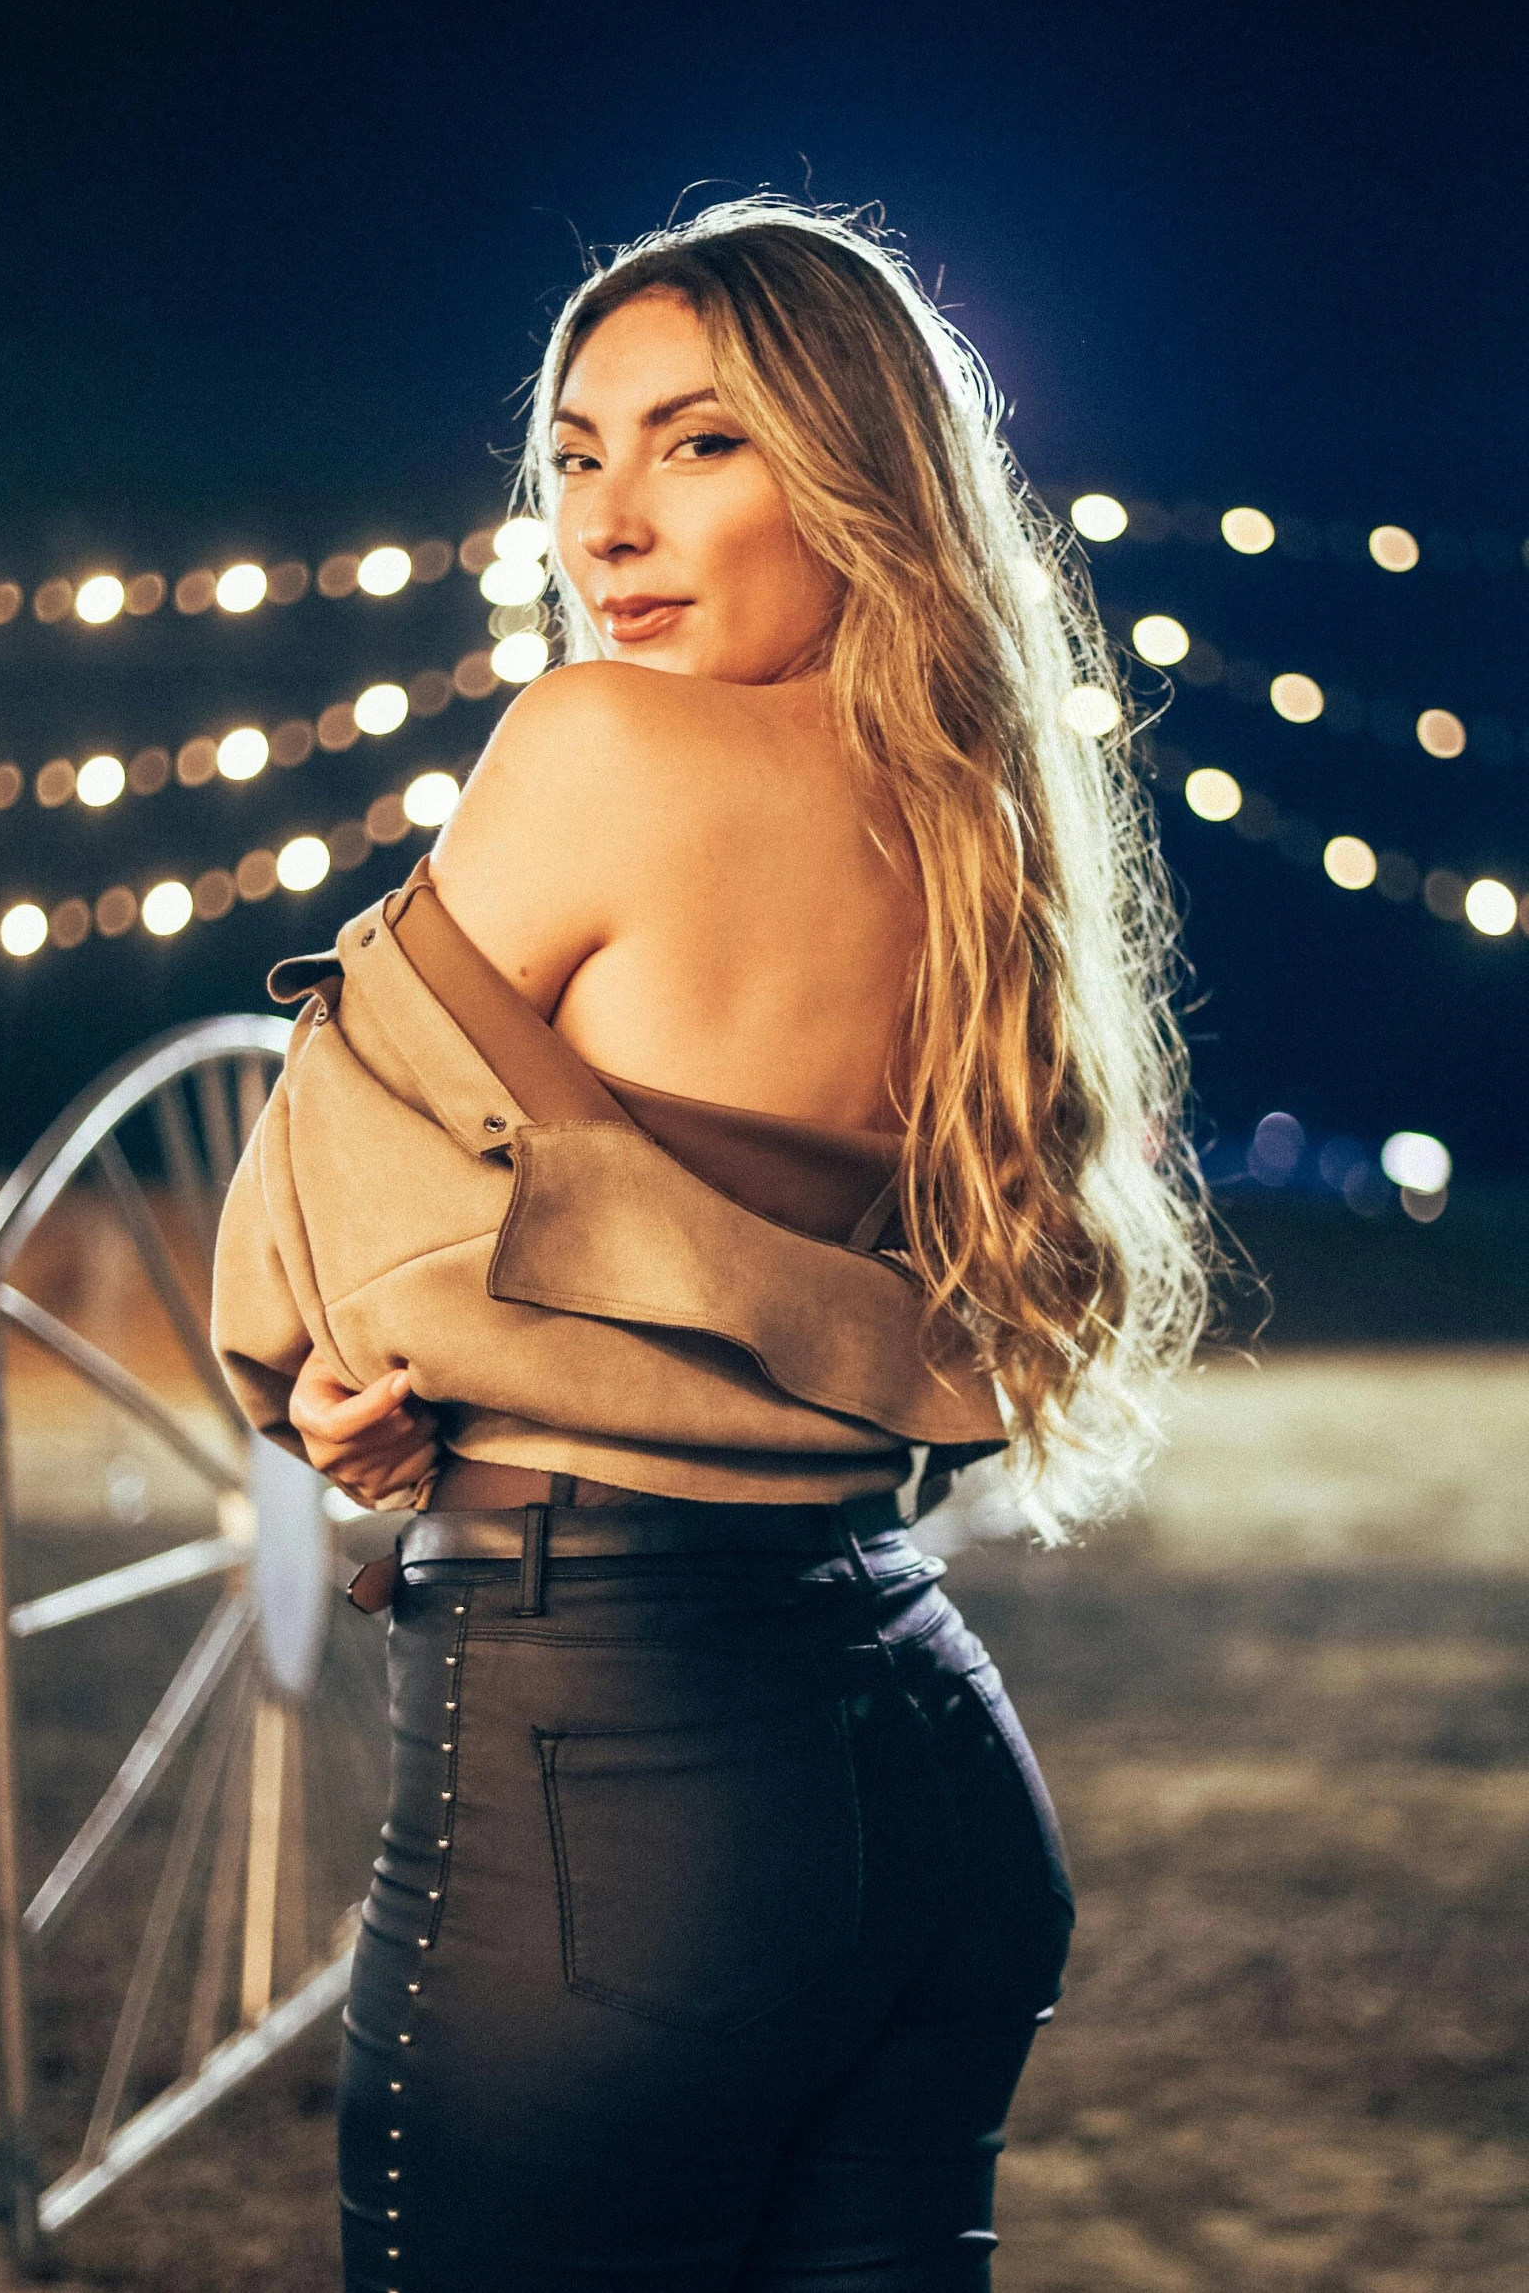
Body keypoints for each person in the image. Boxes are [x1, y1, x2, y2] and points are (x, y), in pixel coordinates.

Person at [212, 196, 1211, 2292]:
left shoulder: (596, 745)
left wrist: (384, 1352)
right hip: (923, 1755)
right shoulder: (987, 822)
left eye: (699, 442)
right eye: (578, 454)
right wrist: (417, 1369)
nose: (611, 524)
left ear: (853, 469)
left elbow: (299, 1217)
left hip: (610, 1772)